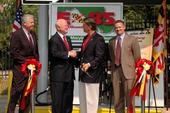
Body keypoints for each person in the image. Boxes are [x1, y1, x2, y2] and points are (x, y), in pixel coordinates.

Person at [7, 14, 39, 113]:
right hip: (20, 70)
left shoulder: (33, 34)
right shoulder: (17, 34)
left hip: (31, 70)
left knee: (27, 94)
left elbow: (36, 52)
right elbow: (14, 52)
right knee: (16, 94)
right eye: (31, 22)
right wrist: (26, 62)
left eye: (33, 22)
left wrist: (36, 64)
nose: (33, 24)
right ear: (24, 23)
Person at [108, 20, 141, 113]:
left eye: (120, 27)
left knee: (130, 98)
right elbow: (111, 56)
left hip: (129, 73)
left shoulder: (132, 39)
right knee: (117, 99)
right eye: (116, 28)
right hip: (116, 72)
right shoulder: (111, 41)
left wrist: (136, 71)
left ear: (124, 27)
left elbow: (137, 56)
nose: (118, 29)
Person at [48, 19, 77, 113]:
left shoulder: (67, 39)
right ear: (58, 27)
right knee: (58, 102)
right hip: (58, 77)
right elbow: (54, 53)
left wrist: (78, 60)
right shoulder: (53, 39)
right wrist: (69, 53)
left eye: (67, 25)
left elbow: (71, 55)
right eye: (65, 25)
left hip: (69, 76)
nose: (67, 26)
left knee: (68, 101)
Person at [78, 17, 106, 113]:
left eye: (84, 25)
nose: (82, 26)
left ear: (89, 26)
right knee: (83, 100)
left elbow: (100, 57)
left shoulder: (99, 39)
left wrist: (89, 64)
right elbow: (83, 54)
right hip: (83, 74)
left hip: (92, 74)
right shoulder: (85, 38)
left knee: (91, 101)